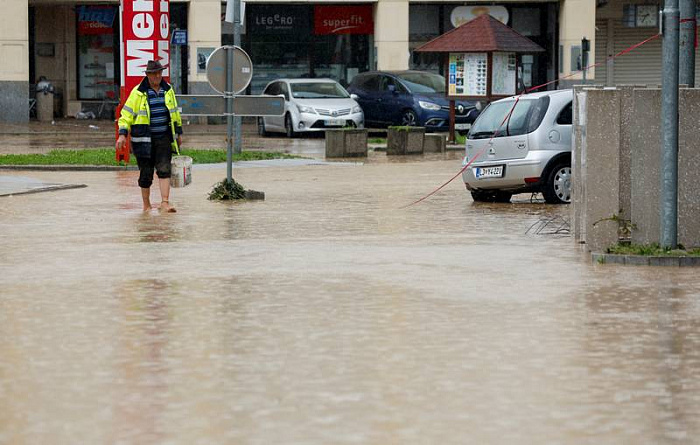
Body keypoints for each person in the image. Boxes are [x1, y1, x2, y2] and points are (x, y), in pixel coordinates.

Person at [116, 60, 183, 212]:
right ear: (148, 75)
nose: (158, 76)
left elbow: (175, 114)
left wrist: (178, 133)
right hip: (143, 139)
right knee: (146, 173)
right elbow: (126, 115)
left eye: (160, 72)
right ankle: (146, 206)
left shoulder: (168, 90)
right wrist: (122, 135)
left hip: (164, 137)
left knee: (164, 169)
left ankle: (165, 202)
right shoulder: (138, 93)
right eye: (154, 73)